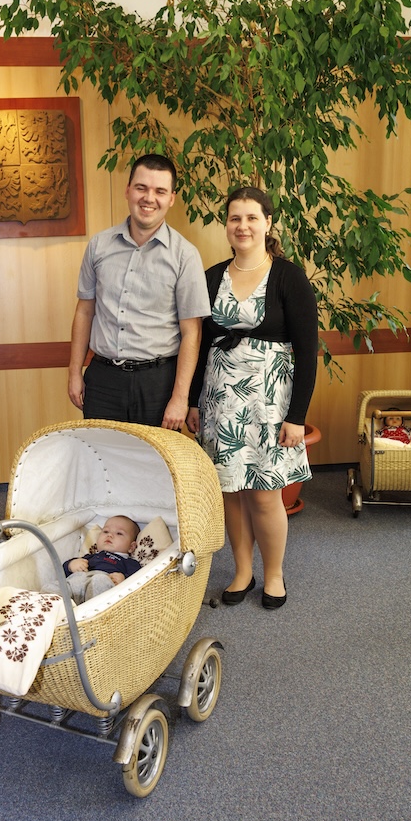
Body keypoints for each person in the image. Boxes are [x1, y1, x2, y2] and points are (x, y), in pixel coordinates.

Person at [187, 187, 318, 610]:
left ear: (267, 223)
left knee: (263, 494)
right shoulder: (211, 277)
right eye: (234, 218)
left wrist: (297, 416)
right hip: (221, 402)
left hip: (269, 405)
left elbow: (307, 352)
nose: (242, 226)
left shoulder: (288, 276)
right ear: (226, 225)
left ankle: (274, 574)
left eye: (251, 218)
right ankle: (242, 571)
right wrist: (193, 402)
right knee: (231, 492)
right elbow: (199, 347)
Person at [68, 154, 210, 430]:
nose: (149, 198)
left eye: (160, 191)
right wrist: (74, 372)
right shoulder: (99, 246)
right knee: (101, 455)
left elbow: (192, 333)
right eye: (141, 188)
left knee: (156, 458)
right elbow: (84, 312)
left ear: (171, 198)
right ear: (128, 190)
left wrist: (180, 398)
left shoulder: (185, 256)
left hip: (158, 384)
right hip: (103, 380)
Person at [51, 515, 141, 604]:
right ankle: (50, 604)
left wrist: (124, 579)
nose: (109, 535)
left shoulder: (129, 562)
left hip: (102, 582)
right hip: (78, 581)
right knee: (56, 585)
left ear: (131, 547)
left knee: (100, 580)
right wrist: (71, 565)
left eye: (119, 533)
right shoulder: (90, 556)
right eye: (105, 531)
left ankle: (92, 610)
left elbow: (139, 580)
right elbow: (62, 573)